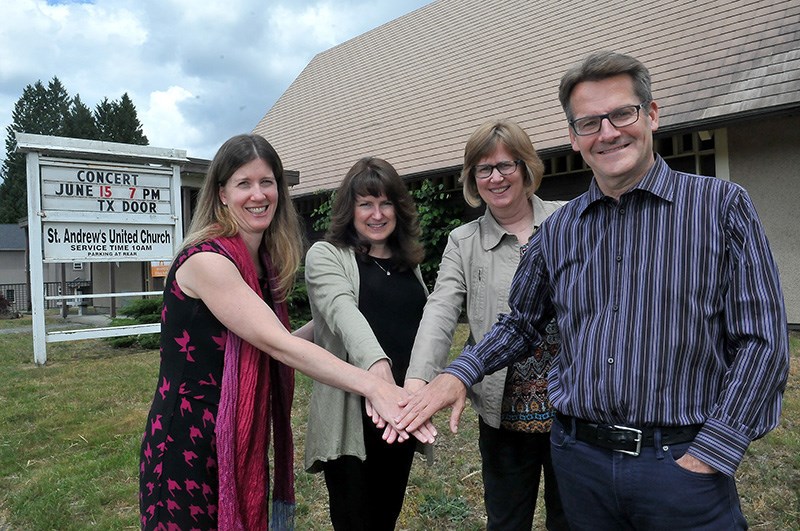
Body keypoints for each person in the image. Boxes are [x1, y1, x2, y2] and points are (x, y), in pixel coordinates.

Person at [396, 51, 790, 530]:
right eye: (588, 122)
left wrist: (714, 451)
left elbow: (763, 342)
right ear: (573, 136)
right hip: (579, 464)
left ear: (652, 114)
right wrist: (458, 374)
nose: (607, 132)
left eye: (621, 113)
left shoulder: (720, 207)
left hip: (680, 465)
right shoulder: (560, 229)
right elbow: (520, 323)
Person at [138, 135, 434, 530]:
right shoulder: (209, 261)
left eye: (267, 182)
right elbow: (278, 346)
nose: (258, 194)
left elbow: (276, 337)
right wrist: (376, 385)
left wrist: (334, 321)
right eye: (244, 183)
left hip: (239, 434)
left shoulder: (261, 266)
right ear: (222, 193)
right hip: (188, 437)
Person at [404, 119, 568, 530]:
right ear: (472, 179)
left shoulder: (570, 220)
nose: (496, 177)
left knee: (575, 520)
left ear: (526, 167)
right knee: (507, 521)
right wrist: (418, 382)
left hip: (574, 408)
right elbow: (441, 310)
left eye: (506, 165)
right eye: (483, 169)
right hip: (504, 413)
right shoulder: (463, 241)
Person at [303, 156, 430, 531]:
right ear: (350, 209)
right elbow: (342, 312)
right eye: (366, 204)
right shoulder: (327, 255)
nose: (377, 214)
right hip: (352, 416)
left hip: (401, 414)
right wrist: (380, 377)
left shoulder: (410, 264)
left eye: (386, 202)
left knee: (386, 516)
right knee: (355, 520)